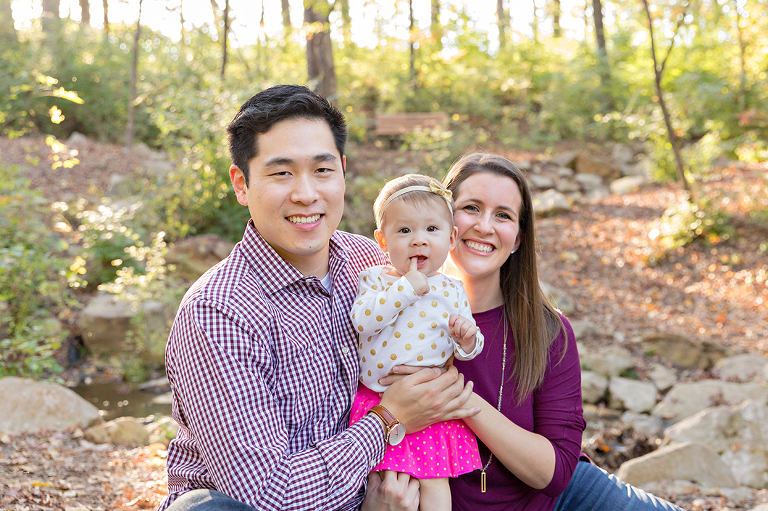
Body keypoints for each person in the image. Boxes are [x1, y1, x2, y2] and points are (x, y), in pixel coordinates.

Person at [157, 85, 479, 511]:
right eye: (281, 173)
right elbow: (269, 493)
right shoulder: (219, 312)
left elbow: (440, 310)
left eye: (322, 170)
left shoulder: (368, 262)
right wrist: (388, 419)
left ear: (342, 171)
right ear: (241, 183)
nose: (306, 194)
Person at [379, 153, 685, 511]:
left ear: (519, 237)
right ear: (445, 220)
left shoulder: (547, 330)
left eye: (503, 215)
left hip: (557, 501)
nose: (485, 226)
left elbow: (554, 476)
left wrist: (460, 398)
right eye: (471, 208)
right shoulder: (392, 307)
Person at [348, 174, 484, 511]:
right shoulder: (376, 280)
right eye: (405, 231)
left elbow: (466, 347)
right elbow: (363, 320)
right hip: (378, 402)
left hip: (430, 404)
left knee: (435, 485)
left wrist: (467, 339)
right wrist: (407, 287)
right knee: (378, 482)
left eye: (431, 230)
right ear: (382, 241)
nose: (418, 241)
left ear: (451, 238)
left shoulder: (452, 290)